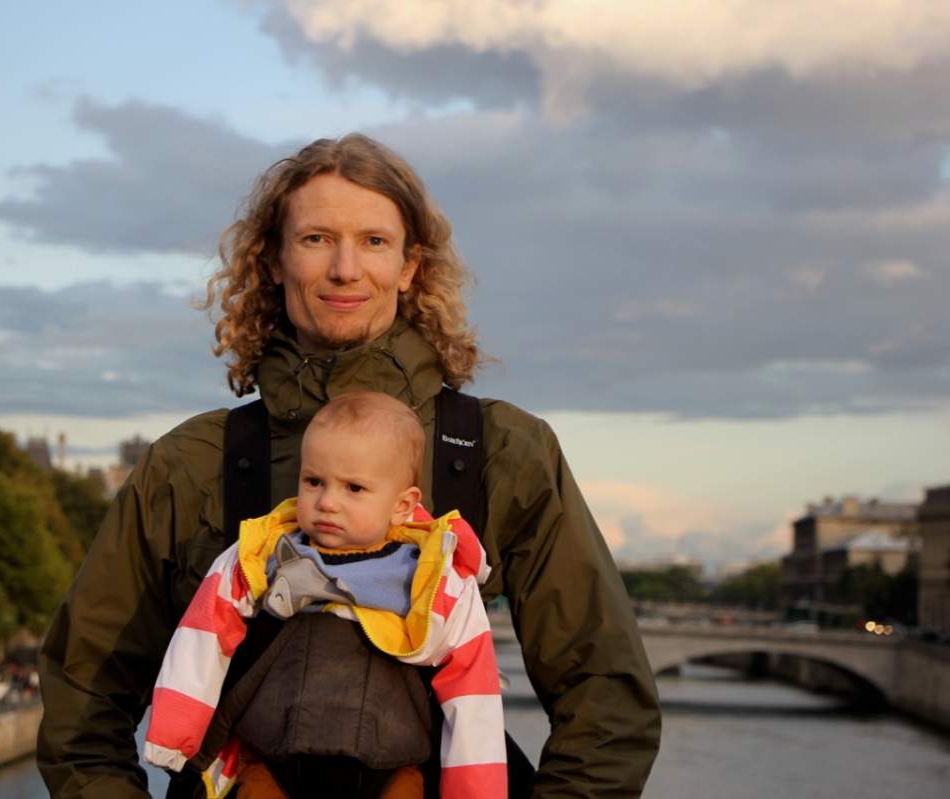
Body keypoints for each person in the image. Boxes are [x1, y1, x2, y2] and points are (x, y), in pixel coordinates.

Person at [37, 133, 661, 798]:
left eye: (373, 241)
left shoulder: (504, 452)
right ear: (273, 260)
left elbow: (607, 701)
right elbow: (83, 703)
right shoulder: (188, 466)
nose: (344, 269)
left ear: (410, 266)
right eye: (315, 239)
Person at [143, 391, 504, 798]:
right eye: (314, 481)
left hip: (392, 768)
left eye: (354, 488)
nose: (328, 502)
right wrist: (174, 735)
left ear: (402, 505)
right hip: (269, 759)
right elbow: (203, 635)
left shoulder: (435, 578)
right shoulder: (259, 554)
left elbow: (473, 691)